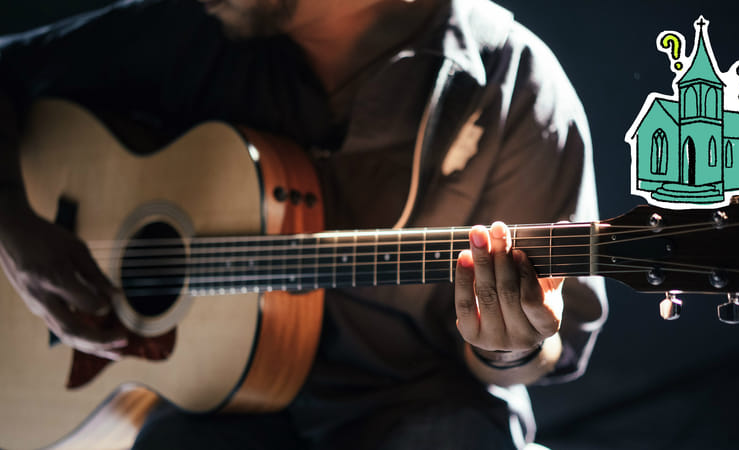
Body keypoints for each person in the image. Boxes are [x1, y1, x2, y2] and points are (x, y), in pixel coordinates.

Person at [0, 0, 607, 448]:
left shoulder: (513, 82)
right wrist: (14, 225)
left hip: (420, 405)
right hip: (221, 413)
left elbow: (551, 345)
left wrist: (509, 344)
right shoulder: (195, 30)